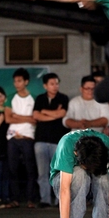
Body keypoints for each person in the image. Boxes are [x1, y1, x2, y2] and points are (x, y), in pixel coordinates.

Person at [49, 129, 109, 218]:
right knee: (79, 174)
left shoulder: (105, 143)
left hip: (95, 179)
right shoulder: (67, 145)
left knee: (104, 178)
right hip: (64, 182)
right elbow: (64, 190)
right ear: (76, 154)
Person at [33, 72, 70, 208]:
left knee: (58, 171)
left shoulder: (63, 98)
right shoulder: (40, 98)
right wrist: (53, 114)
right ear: (45, 85)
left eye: (57, 83)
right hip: (41, 139)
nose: (55, 86)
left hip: (57, 140)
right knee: (42, 172)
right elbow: (36, 115)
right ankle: (45, 199)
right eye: (52, 84)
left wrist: (45, 112)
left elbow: (62, 113)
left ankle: (60, 199)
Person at [5, 68, 37, 208]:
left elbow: (35, 119)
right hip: (13, 137)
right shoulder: (11, 97)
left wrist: (16, 116)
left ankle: (30, 199)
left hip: (28, 136)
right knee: (13, 169)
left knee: (30, 169)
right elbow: (7, 118)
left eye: (19, 81)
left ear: (26, 82)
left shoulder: (33, 98)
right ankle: (15, 199)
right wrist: (26, 118)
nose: (16, 84)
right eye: (15, 81)